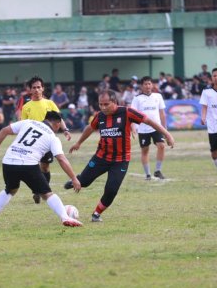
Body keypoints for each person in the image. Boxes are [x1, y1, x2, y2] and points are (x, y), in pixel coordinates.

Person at [65, 90, 175, 222]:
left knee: (111, 190)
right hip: (100, 158)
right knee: (84, 183)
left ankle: (96, 214)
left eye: (106, 104)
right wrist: (78, 143)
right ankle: (76, 180)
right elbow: (90, 128)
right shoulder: (99, 116)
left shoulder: (127, 112)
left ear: (114, 102)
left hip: (120, 161)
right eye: (101, 104)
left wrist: (167, 134)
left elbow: (149, 121)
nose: (103, 107)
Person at [0, 111, 83, 230]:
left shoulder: (28, 122)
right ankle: (65, 217)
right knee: (47, 194)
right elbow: (62, 159)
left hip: (8, 161)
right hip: (28, 164)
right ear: (57, 124)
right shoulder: (53, 137)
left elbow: (5, 130)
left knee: (10, 189)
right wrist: (74, 178)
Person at [20, 75, 71, 204]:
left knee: (45, 167)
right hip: (32, 141)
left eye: (39, 87)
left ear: (43, 89)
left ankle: (40, 191)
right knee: (32, 168)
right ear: (30, 90)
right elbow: (23, 125)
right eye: (34, 88)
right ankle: (39, 190)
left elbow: (59, 118)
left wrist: (65, 130)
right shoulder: (26, 107)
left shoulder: (50, 103)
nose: (36, 90)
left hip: (47, 141)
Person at [130, 76, 168, 180]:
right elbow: (132, 115)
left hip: (157, 128)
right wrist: (133, 127)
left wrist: (165, 129)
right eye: (145, 84)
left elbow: (162, 114)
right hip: (143, 129)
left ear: (152, 85)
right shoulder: (137, 99)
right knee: (145, 150)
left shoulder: (158, 96)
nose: (148, 86)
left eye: (149, 84)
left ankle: (157, 170)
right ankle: (147, 174)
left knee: (162, 146)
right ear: (142, 86)